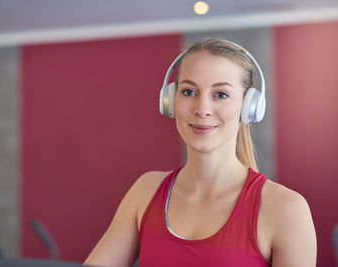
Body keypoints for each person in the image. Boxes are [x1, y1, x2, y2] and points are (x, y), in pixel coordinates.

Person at [84, 38, 317, 266]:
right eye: (188, 92)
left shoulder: (286, 209)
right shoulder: (146, 191)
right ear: (170, 100)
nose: (202, 109)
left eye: (221, 95)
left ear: (249, 107)